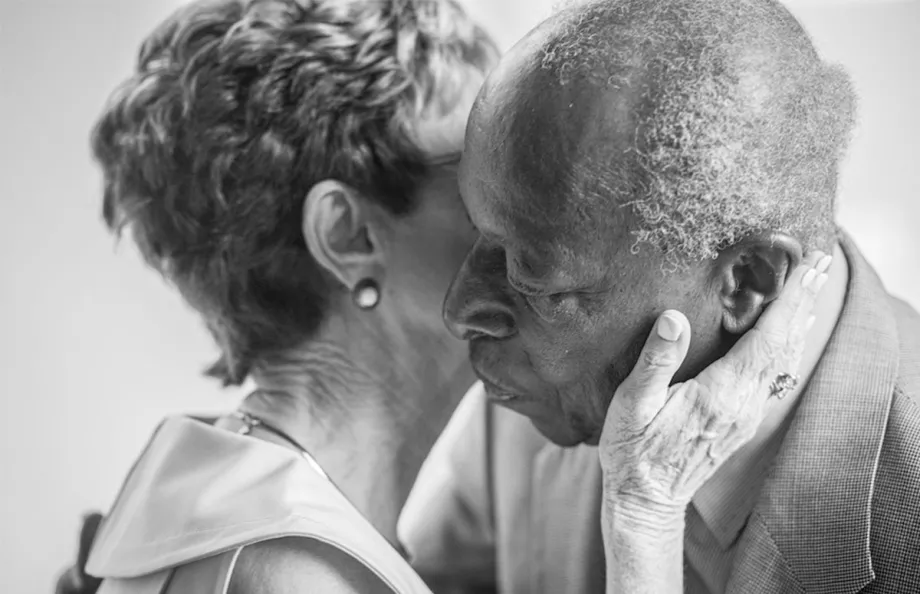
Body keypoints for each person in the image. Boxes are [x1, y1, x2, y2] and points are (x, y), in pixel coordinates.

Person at [400, 0, 920, 593]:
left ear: (745, 280)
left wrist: (640, 514)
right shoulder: (542, 385)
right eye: (479, 232)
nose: (459, 309)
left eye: (535, 282)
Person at [67, 0, 498, 591]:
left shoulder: (236, 510)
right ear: (348, 235)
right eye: (479, 161)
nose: (523, 191)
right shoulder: (293, 573)